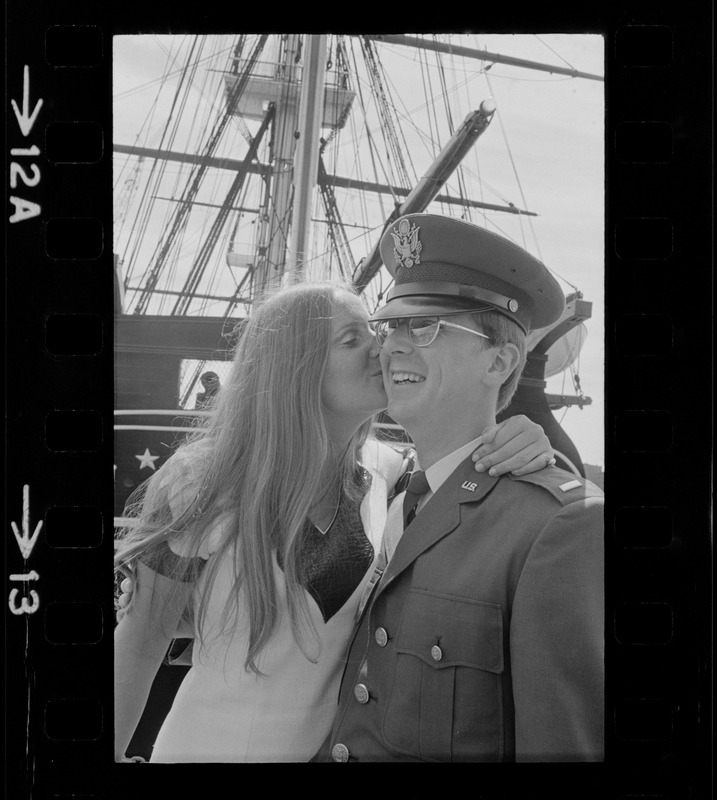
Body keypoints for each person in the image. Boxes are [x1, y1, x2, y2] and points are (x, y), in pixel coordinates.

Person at [114, 278, 556, 763]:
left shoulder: (392, 473)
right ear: (294, 369)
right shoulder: (202, 482)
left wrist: (531, 436)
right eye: (352, 340)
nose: (382, 348)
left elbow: (477, 472)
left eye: (375, 331)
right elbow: (139, 643)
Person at [316, 213, 604, 763]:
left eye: (424, 327)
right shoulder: (394, 497)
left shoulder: (560, 526)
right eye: (390, 327)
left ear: (501, 360)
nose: (390, 347)